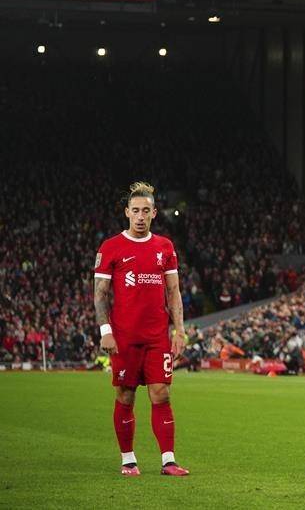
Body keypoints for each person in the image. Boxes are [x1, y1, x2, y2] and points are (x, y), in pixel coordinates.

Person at [93, 182, 189, 477]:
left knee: (161, 394)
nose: (140, 216)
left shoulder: (165, 247)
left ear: (154, 213)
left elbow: (173, 292)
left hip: (157, 336)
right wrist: (105, 330)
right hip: (124, 337)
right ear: (127, 213)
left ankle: (168, 461)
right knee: (126, 395)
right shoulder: (111, 247)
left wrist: (179, 330)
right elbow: (100, 294)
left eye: (146, 211)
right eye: (135, 210)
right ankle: (128, 459)